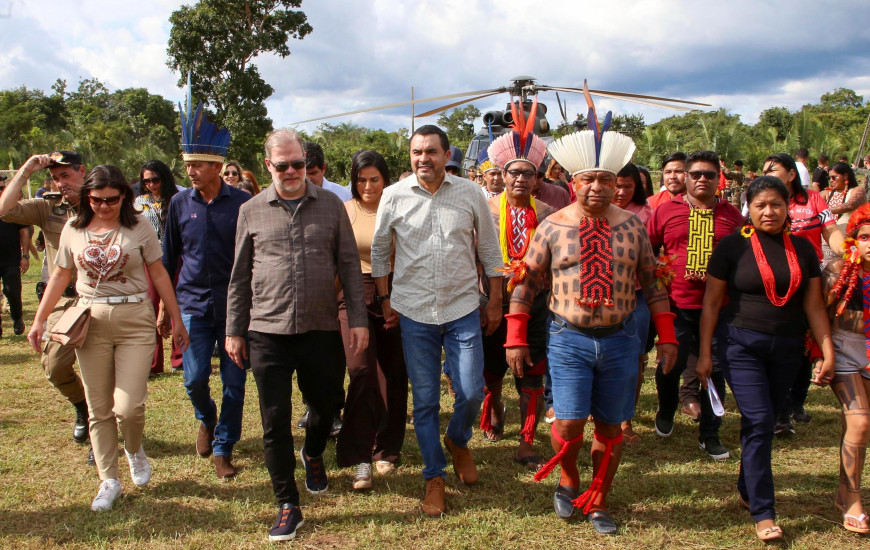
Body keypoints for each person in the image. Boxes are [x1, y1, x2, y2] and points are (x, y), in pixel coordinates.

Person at [508, 114, 678, 534]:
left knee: (609, 424)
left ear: (616, 182)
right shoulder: (552, 225)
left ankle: (599, 496)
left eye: (605, 179)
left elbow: (653, 282)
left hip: (621, 338)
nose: (596, 187)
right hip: (568, 338)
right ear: (573, 182)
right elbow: (526, 282)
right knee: (567, 423)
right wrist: (515, 336)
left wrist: (668, 336)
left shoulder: (632, 226)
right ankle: (569, 478)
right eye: (588, 179)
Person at [225, 128, 368, 541]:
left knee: (325, 407)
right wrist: (234, 330)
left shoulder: (331, 205)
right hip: (266, 331)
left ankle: (314, 452)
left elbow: (349, 267)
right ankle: (287, 503)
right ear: (268, 165)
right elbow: (239, 277)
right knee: (274, 421)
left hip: (320, 328)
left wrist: (358, 320)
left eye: (298, 164)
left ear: (307, 164)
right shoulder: (251, 210)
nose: (291, 171)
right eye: (283, 165)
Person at [26, 164, 189, 511]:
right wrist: (39, 319)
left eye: (112, 199)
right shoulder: (73, 228)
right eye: (97, 199)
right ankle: (109, 480)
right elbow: (60, 275)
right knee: (99, 407)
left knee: (129, 408)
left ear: (124, 197)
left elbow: (159, 273)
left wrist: (175, 319)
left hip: (135, 320)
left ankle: (134, 448)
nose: (104, 206)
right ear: (88, 197)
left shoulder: (139, 225)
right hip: (91, 321)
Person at [370, 124, 503, 517]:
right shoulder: (393, 195)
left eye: (431, 151)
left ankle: (457, 439)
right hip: (414, 312)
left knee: (472, 392)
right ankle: (434, 476)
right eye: (417, 152)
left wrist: (495, 301)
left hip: (462, 307)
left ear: (447, 155)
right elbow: (379, 251)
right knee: (426, 400)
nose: (423, 158)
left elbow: (489, 249)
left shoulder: (470, 193)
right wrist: (385, 299)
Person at [697, 176, 834, 542]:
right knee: (758, 420)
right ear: (749, 208)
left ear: (788, 207)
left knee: (766, 421)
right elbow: (711, 303)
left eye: (776, 204)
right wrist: (705, 353)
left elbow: (814, 306)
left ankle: (747, 487)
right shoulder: (732, 246)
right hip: (740, 344)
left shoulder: (803, 249)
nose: (769, 212)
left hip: (787, 348)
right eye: (760, 205)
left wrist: (827, 351)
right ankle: (763, 510)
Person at [162, 95, 251, 479]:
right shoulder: (179, 204)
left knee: (234, 383)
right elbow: (167, 259)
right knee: (195, 379)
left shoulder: (244, 204)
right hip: (192, 306)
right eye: (188, 165)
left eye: (197, 165)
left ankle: (223, 446)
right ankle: (206, 417)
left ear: (217, 166)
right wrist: (164, 310)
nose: (191, 171)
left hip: (235, 310)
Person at [648, 151, 745, 459]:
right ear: (686, 177)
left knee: (713, 368)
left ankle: (710, 433)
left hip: (719, 307)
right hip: (676, 304)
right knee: (670, 364)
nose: (702, 179)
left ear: (719, 179)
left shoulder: (733, 215)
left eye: (709, 174)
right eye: (696, 174)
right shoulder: (666, 210)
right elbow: (649, 249)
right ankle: (666, 408)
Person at [0, 151, 91, 456]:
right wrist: (26, 171)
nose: (60, 182)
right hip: (65, 301)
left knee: (102, 370)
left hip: (102, 298)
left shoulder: (104, 202)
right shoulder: (47, 207)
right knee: (54, 367)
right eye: (54, 177)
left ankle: (101, 429)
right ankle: (82, 406)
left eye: (66, 175)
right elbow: (5, 210)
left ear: (82, 171)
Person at [478, 124, 554, 472]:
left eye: (528, 173)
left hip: (536, 304)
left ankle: (526, 440)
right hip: (492, 301)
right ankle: (495, 408)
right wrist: (488, 298)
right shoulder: (485, 211)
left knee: (532, 374)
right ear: (502, 175)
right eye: (514, 172)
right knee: (491, 371)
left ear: (537, 179)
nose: (520, 179)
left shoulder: (549, 214)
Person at [332, 149, 407, 490]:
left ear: (386, 180)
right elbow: (335, 261)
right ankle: (359, 454)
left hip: (397, 290)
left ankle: (387, 448)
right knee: (361, 370)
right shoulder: (345, 211)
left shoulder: (400, 209)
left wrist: (396, 299)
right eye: (361, 179)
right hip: (354, 293)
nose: (367, 186)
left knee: (393, 373)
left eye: (374, 179)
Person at [758, 153, 844, 433]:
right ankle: (780, 410)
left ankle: (795, 402)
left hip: (808, 282)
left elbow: (831, 232)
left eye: (773, 169)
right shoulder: (762, 199)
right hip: (772, 282)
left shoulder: (813, 200)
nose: (767, 174)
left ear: (792, 174)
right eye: (764, 170)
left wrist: (850, 253)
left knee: (803, 344)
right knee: (778, 344)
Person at [821, 203, 870, 534]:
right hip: (844, 351)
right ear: (853, 239)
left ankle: (843, 489)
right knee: (860, 421)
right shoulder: (838, 270)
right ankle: (852, 498)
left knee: (858, 427)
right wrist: (821, 354)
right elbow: (818, 314)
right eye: (865, 237)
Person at [611, 162, 653, 445]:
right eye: (617, 185)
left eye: (628, 186)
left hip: (636, 296)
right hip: (599, 297)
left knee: (634, 359)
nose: (621, 192)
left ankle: (626, 419)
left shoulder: (646, 214)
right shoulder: (591, 211)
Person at [134, 160, 181, 375]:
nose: (151, 184)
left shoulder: (178, 199)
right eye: (146, 181)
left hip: (177, 257)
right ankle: (153, 363)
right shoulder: (138, 203)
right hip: (150, 259)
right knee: (150, 307)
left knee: (176, 304)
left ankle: (180, 358)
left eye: (155, 179)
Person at [0, 181, 29, 337]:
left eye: (2, 188)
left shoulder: (14, 208)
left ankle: (17, 317)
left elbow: (24, 232)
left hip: (11, 259)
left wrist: (25, 255)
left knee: (12, 291)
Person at [822, 161, 865, 229]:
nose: (831, 180)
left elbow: (850, 205)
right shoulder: (826, 193)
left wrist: (825, 211)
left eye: (834, 177)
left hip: (849, 233)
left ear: (845, 176)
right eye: (829, 178)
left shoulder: (857, 190)